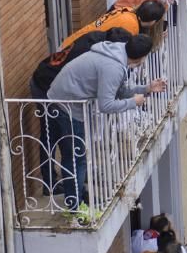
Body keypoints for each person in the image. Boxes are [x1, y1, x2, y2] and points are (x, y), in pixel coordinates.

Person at [47, 36, 166, 209]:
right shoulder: (114, 67)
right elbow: (106, 104)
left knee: (72, 155)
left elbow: (119, 91)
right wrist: (134, 102)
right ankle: (75, 207)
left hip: (62, 98)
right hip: (67, 106)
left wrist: (146, 89)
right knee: (77, 157)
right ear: (141, 57)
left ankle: (76, 197)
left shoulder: (117, 51)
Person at [30, 27, 133, 193]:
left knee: (67, 144)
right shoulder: (93, 54)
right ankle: (53, 184)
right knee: (52, 137)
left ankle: (69, 185)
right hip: (45, 84)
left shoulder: (98, 43)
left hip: (58, 89)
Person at [61, 1, 165, 49]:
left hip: (72, 43)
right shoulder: (131, 27)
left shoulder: (127, 11)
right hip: (75, 51)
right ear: (153, 21)